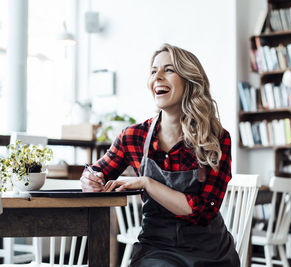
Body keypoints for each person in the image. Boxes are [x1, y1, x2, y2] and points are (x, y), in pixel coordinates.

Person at [80, 43, 240, 267]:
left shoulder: (215, 138)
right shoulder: (133, 136)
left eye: (169, 70)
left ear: (189, 80)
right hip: (157, 249)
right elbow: (98, 172)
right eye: (154, 71)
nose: (158, 77)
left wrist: (147, 183)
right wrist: (90, 179)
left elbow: (203, 211)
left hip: (210, 251)